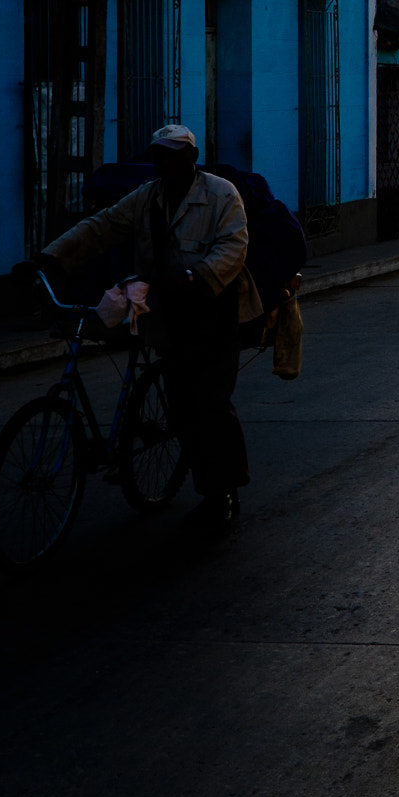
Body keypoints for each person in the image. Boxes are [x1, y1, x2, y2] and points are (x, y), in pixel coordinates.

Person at [30, 125, 261, 536]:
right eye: (160, 156)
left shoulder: (221, 194)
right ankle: (199, 478)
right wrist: (50, 257)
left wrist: (196, 275)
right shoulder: (148, 197)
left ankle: (222, 492)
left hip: (215, 310)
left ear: (192, 157)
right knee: (181, 405)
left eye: (175, 155)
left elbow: (233, 246)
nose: (166, 163)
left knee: (210, 404)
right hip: (170, 311)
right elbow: (102, 226)